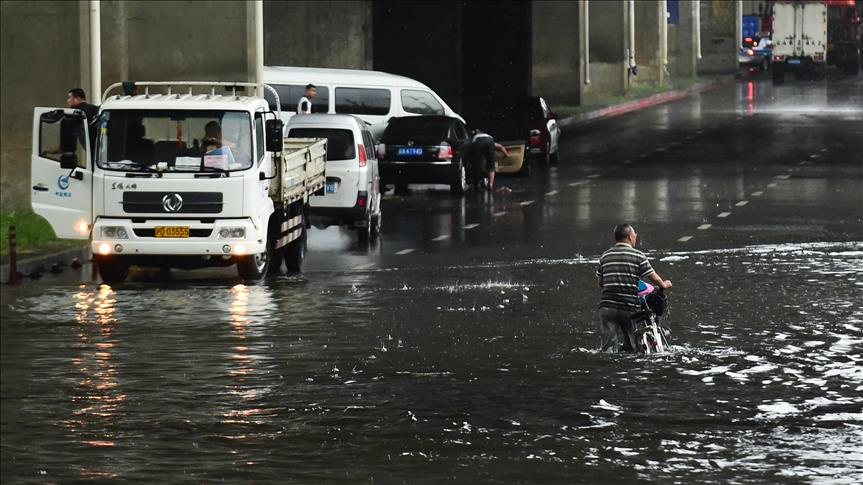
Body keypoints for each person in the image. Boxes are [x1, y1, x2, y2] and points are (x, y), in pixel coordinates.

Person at [595, 223, 672, 353]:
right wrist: (664, 284)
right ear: (629, 237)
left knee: (608, 348)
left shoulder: (604, 256)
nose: (636, 236)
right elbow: (652, 277)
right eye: (634, 234)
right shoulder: (638, 256)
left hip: (607, 307)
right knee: (632, 348)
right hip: (629, 308)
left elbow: (600, 283)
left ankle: (609, 367)